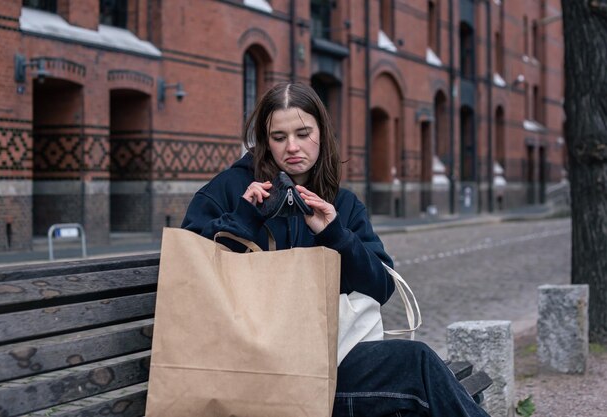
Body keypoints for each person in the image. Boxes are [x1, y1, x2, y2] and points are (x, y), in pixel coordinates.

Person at [181, 82, 490, 417]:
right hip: (251, 373)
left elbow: (381, 287)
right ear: (264, 140)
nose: (292, 147)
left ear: (322, 134)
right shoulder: (229, 190)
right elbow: (189, 269)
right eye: (279, 137)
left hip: (322, 364)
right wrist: (244, 218)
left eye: (303, 133)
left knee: (416, 361)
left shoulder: (341, 203)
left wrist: (334, 234)